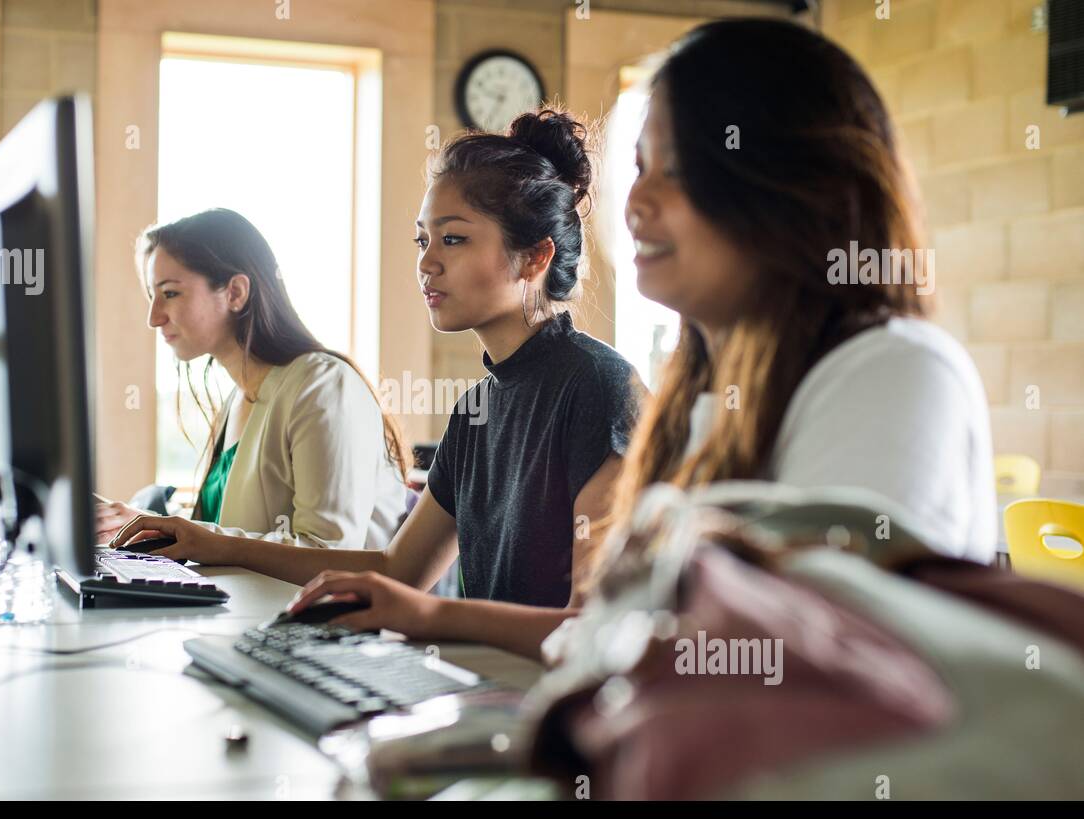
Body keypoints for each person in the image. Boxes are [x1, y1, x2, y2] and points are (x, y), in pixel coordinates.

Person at [279, 18, 997, 653]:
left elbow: (783, 671)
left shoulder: (894, 373)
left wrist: (434, 618)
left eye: (678, 172)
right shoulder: (706, 398)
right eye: (641, 169)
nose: (637, 204)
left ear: (793, 186)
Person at [112, 110, 643, 658]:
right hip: (488, 692)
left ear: (534, 257)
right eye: (421, 241)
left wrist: (430, 615)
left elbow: (595, 628)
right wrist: (209, 541)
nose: (427, 263)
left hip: (561, 717)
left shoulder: (600, 389)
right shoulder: (477, 408)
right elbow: (396, 570)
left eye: (453, 239)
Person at [96, 208, 410, 549]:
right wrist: (148, 526)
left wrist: (182, 533)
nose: (154, 318)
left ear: (235, 293)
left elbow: (329, 549)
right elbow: (226, 535)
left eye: (170, 293)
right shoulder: (237, 400)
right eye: (152, 296)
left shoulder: (323, 385)